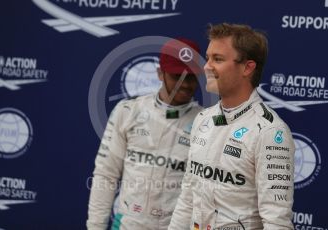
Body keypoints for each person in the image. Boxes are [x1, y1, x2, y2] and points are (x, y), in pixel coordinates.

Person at [169, 23, 295, 230]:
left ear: (247, 67)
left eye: (217, 59)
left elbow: (276, 222)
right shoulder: (203, 119)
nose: (206, 66)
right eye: (208, 58)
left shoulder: (270, 131)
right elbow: (187, 199)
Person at [87, 38, 203, 230]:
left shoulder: (205, 122)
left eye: (190, 77)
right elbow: (105, 175)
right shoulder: (127, 111)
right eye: (176, 76)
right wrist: (95, 227)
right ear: (160, 73)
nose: (184, 84)